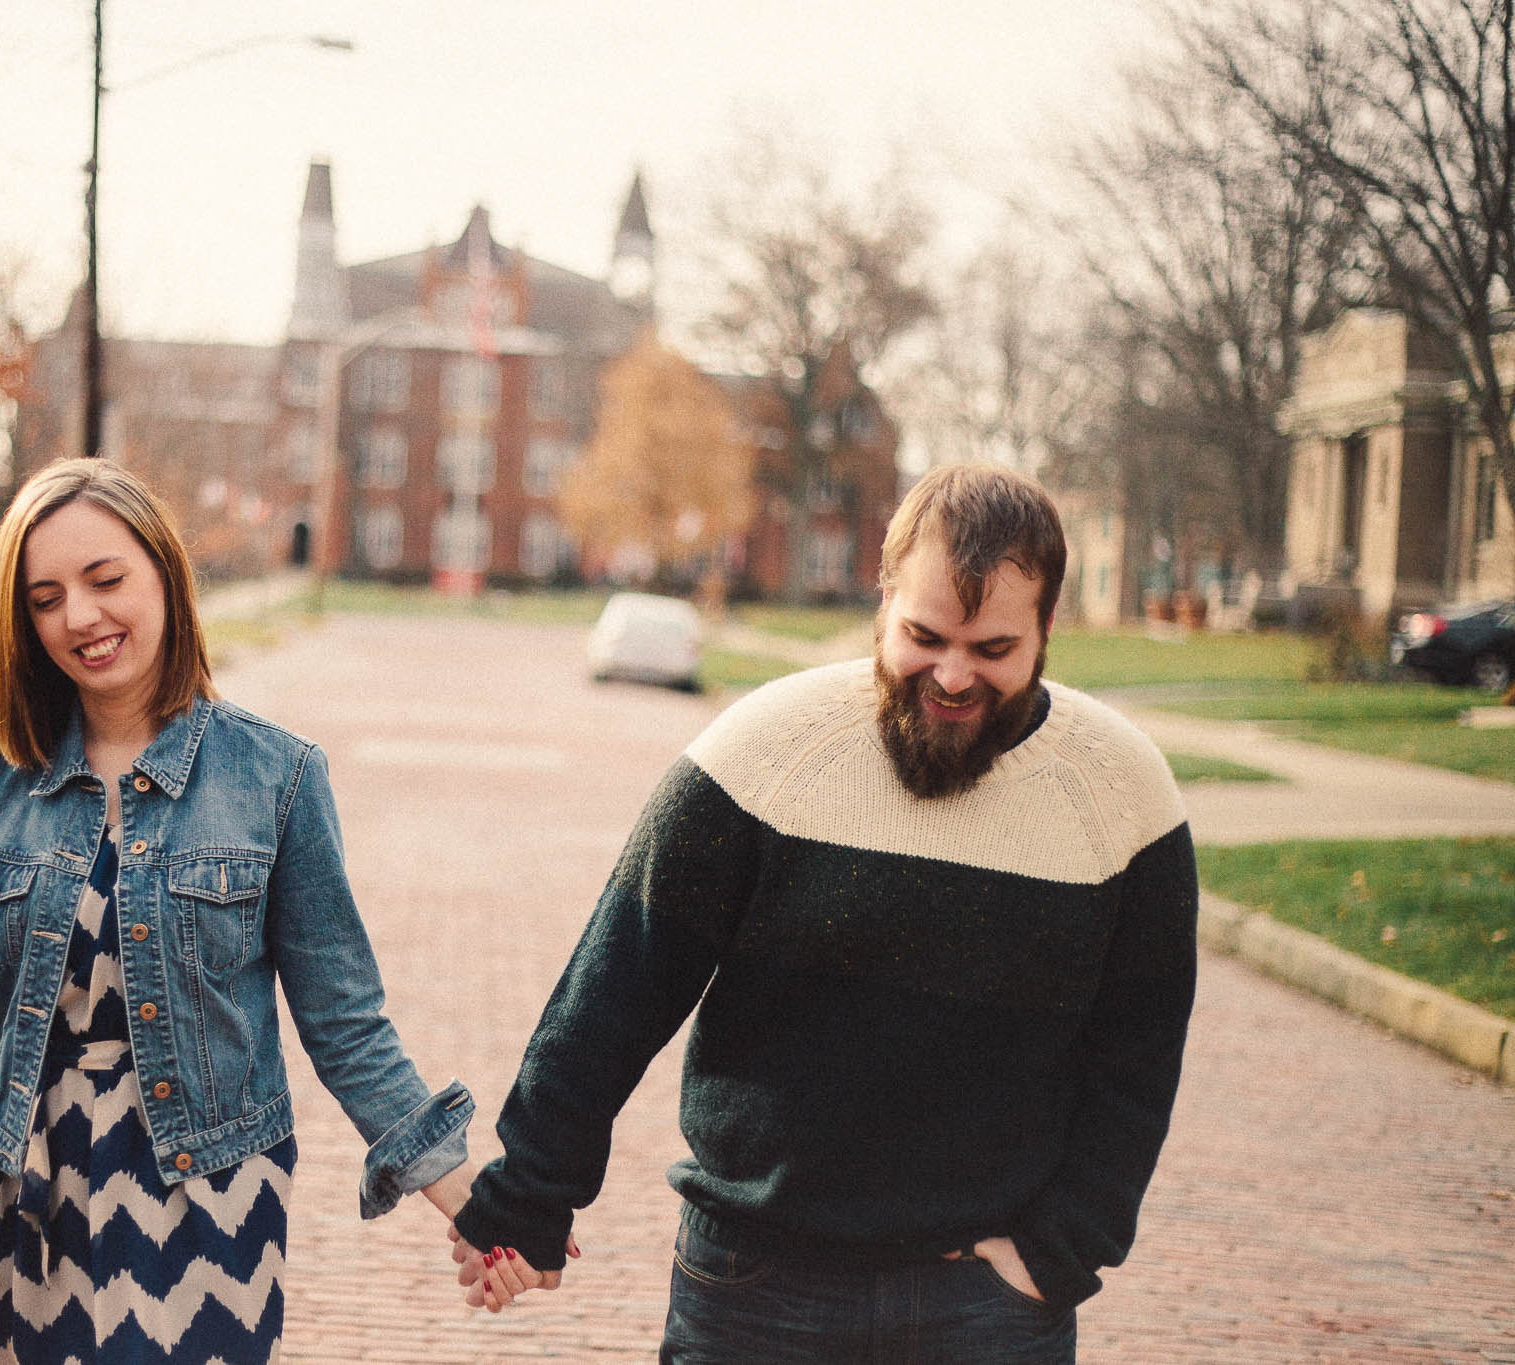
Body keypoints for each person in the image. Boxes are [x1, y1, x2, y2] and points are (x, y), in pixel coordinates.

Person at [450, 463, 1198, 1361]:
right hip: (755, 1292)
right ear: (884, 600)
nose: (954, 676)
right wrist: (530, 1198)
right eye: (925, 635)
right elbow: (614, 992)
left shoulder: (1124, 797)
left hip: (988, 1311)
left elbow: (1140, 1058)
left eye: (993, 649)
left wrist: (1061, 1250)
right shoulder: (762, 753)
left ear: (1047, 627)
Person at [0, 458, 478, 1365]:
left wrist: (474, 1203)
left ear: (164, 570)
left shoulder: (275, 778)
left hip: (209, 1205)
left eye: (106, 578)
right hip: (27, 1209)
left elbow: (346, 1025)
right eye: (45, 597)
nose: (80, 616)